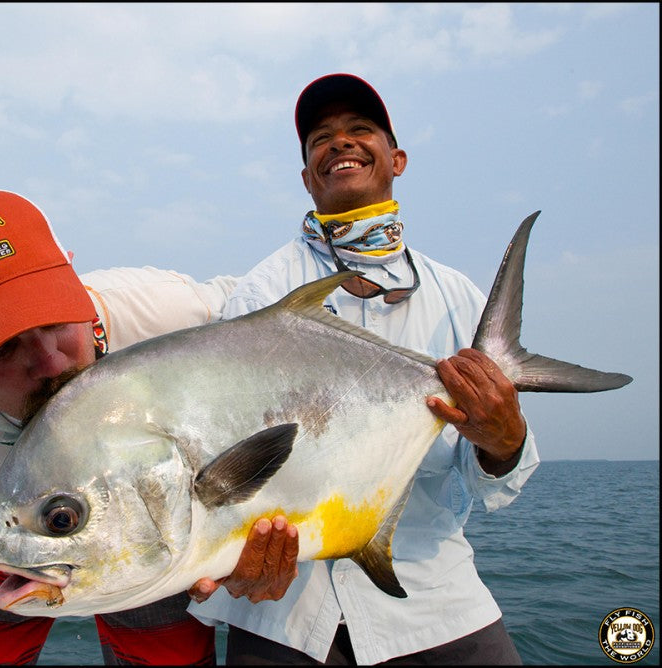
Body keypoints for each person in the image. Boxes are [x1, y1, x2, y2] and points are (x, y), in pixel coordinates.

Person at [0, 189, 300, 665]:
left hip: (148, 511)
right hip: (19, 536)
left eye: (55, 320)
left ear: (73, 275)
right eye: (1, 350)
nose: (49, 361)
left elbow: (274, 314)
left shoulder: (165, 312)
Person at [188, 73, 537, 665]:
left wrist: (504, 441)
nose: (340, 143)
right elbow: (226, 456)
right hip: (283, 612)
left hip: (435, 602)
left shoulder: (454, 296)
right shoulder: (262, 293)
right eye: (321, 138)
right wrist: (225, 553)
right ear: (306, 176)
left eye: (360, 130)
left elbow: (490, 484)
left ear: (396, 158)